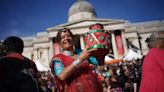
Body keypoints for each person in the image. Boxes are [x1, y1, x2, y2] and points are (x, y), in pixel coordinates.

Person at [50, 28, 103, 92]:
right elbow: (62, 75)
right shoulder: (58, 59)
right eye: (63, 37)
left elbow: (99, 62)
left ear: (73, 39)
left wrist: (102, 52)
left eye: (69, 36)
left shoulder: (82, 52)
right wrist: (80, 59)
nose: (66, 38)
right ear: (59, 43)